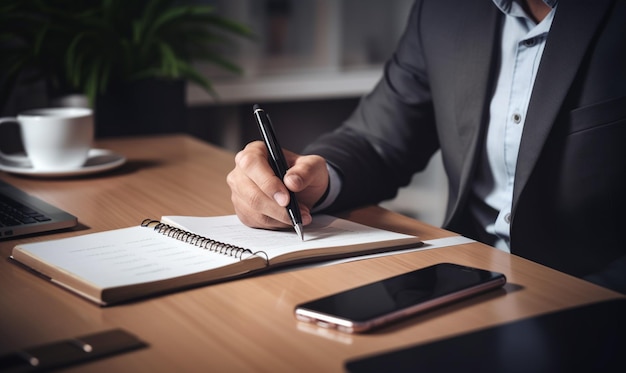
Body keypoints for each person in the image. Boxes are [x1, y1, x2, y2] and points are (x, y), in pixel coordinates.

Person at [227, 0, 626, 293]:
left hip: (589, 301)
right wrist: (313, 179)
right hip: (464, 282)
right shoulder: (444, 10)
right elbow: (377, 138)